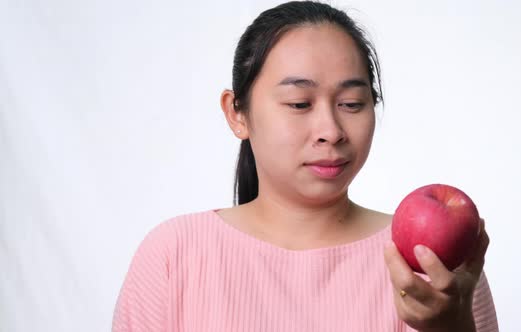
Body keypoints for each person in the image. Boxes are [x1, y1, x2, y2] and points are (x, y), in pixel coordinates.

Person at [112, 1, 498, 331]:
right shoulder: (174, 255)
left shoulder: (432, 266)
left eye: (351, 104)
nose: (330, 131)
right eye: (299, 103)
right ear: (237, 113)